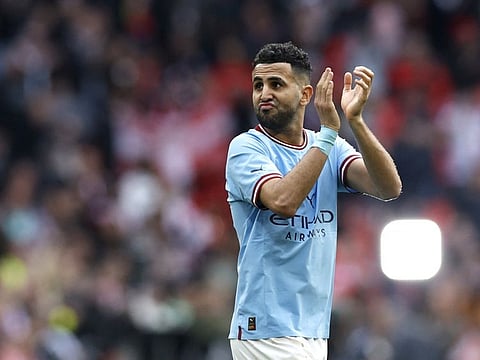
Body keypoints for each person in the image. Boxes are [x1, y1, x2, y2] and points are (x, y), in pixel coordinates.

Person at [225, 41, 402, 359]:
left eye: (276, 84)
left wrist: (355, 122)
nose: (264, 93)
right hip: (266, 328)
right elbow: (283, 200)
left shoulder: (329, 146)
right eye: (258, 85)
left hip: (313, 330)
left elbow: (388, 187)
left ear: (305, 95)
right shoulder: (246, 148)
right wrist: (330, 132)